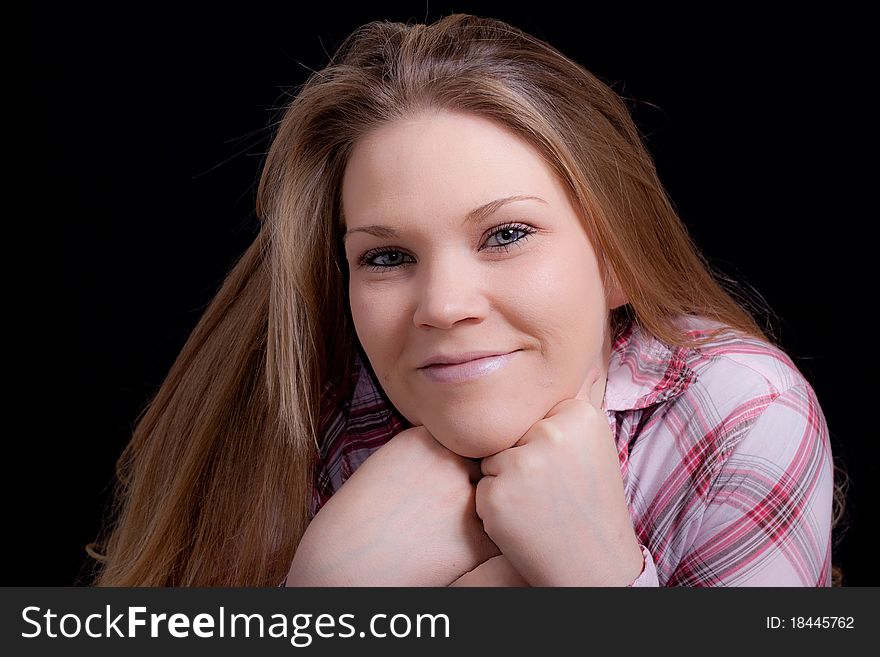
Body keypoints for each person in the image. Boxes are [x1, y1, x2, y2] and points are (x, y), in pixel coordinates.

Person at [86, 13, 846, 587]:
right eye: (387, 256)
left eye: (506, 233)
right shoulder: (296, 410)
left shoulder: (740, 411)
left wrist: (601, 584)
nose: (444, 307)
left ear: (619, 259)